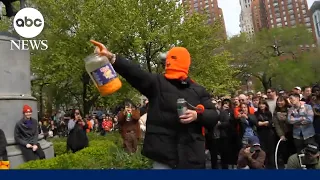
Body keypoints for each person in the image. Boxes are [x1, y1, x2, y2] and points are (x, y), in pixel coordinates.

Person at [92, 41, 219, 169]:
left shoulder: (198, 90)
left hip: (191, 158)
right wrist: (112, 58)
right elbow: (135, 73)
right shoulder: (157, 84)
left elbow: (213, 116)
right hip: (164, 157)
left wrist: (197, 115)